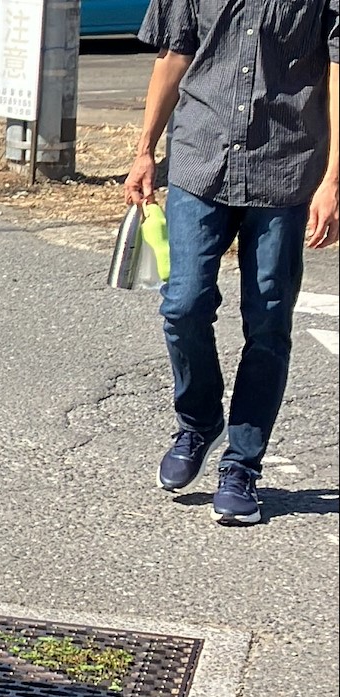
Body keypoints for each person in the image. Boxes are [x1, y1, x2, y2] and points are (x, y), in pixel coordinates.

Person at [124, 0, 338, 525]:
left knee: (267, 322)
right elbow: (175, 53)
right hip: (201, 158)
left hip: (287, 166)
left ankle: (242, 464)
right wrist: (144, 148)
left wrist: (333, 180)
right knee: (183, 305)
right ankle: (197, 421)